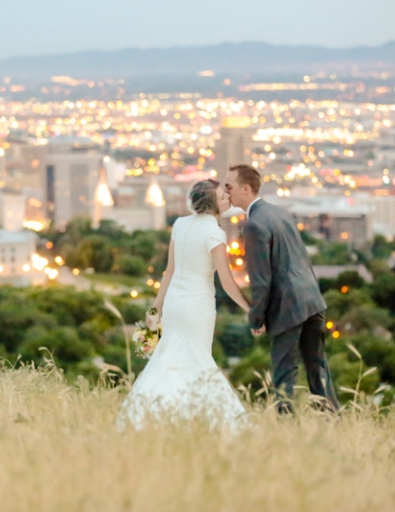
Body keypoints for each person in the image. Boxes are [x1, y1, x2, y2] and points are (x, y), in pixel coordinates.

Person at [116, 179, 251, 429]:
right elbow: (228, 282)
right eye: (223, 197)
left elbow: (168, 272)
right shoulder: (214, 232)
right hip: (197, 308)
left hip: (175, 305)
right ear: (212, 204)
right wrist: (252, 311)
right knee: (198, 360)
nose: (227, 200)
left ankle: (154, 416)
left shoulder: (180, 224)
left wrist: (155, 310)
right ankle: (200, 420)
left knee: (169, 358)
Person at [224, 164, 340, 413]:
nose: (227, 192)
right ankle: (334, 420)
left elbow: (261, 279)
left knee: (284, 374)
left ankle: (286, 428)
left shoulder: (254, 225)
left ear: (246, 189)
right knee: (317, 367)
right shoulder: (281, 213)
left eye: (229, 186)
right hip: (311, 299)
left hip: (287, 306)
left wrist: (257, 318)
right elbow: (302, 259)